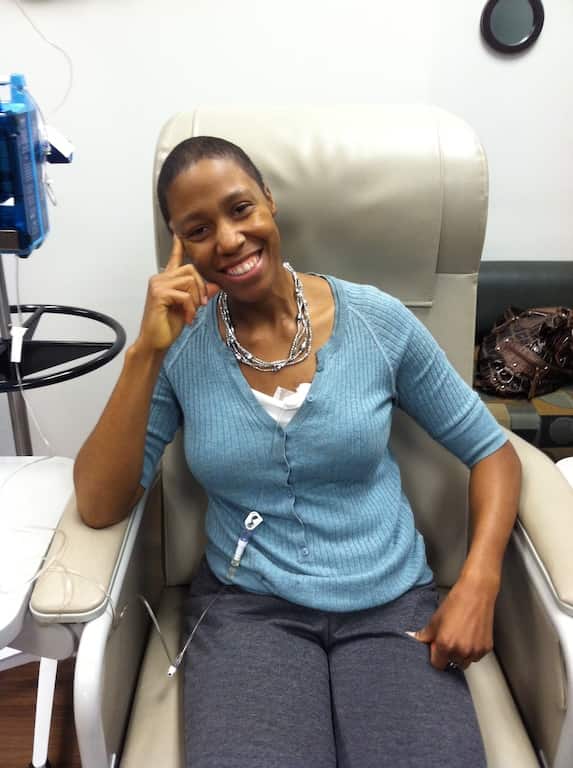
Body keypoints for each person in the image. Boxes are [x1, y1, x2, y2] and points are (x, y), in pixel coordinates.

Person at [74, 136, 522, 768]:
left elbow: (492, 451)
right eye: (198, 230)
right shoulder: (179, 350)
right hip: (247, 609)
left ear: (269, 201)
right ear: (179, 245)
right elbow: (99, 504)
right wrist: (145, 354)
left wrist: (479, 582)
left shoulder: (377, 322)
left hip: (392, 602)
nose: (229, 240)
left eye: (240, 209)